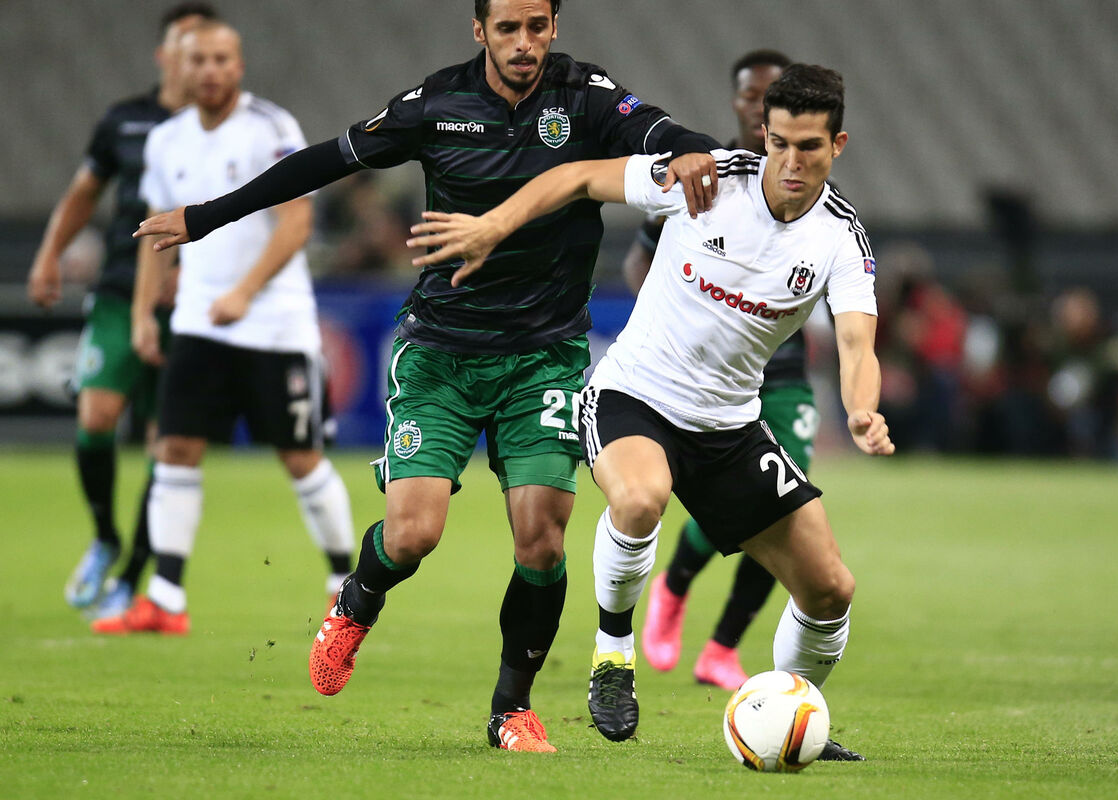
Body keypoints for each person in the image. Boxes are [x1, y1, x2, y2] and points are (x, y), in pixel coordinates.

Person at [133, 0, 720, 753]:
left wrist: (694, 148)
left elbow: (660, 130)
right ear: (480, 31)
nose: (524, 43)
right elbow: (330, 159)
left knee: (542, 542)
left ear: (553, 27)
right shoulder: (437, 103)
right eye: (507, 28)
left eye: (537, 27)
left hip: (543, 357)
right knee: (414, 534)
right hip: (442, 351)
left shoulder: (585, 96)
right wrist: (209, 216)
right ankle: (359, 596)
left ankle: (511, 709)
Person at [407, 63, 893, 760]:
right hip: (635, 396)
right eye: (779, 142)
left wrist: (863, 410)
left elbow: (856, 344)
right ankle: (613, 652)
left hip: (729, 426)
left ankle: (792, 712)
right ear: (763, 133)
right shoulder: (705, 181)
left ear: (837, 145)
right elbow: (578, 176)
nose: (791, 162)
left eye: (809, 147)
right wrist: (493, 225)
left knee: (830, 589)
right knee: (640, 499)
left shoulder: (840, 238)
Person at [91, 20, 357, 635]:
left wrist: (245, 292)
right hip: (198, 324)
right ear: (177, 67)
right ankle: (166, 598)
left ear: (238, 65)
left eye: (221, 59)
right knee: (174, 449)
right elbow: (156, 233)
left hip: (274, 326)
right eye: (199, 60)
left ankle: (342, 582)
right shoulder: (166, 141)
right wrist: (143, 313)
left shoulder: (271, 127)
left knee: (300, 456)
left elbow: (296, 222)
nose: (210, 70)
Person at [622, 49, 821, 693]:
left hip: (780, 372)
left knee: (784, 503)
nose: (760, 105)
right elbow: (639, 259)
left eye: (773, 94)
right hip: (700, 378)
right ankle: (675, 587)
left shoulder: (809, 186)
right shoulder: (705, 174)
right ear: (739, 104)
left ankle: (722, 647)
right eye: (751, 95)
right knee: (719, 497)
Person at [26, 3, 219, 619]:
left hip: (193, 304)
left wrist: (191, 270)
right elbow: (84, 193)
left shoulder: (227, 131)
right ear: (166, 55)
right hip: (118, 289)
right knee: (97, 415)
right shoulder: (126, 121)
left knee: (170, 444)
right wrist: (49, 255)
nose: (196, 60)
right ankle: (105, 536)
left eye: (207, 48)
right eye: (185, 45)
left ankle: (132, 574)